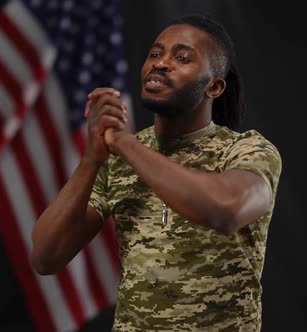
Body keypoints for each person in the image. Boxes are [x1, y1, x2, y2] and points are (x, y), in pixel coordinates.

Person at [31, 14, 282, 331]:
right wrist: (92, 159)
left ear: (214, 86)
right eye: (155, 54)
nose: (160, 64)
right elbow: (46, 256)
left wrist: (123, 142)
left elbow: (224, 209)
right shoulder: (119, 155)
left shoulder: (247, 150)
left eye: (181, 57)